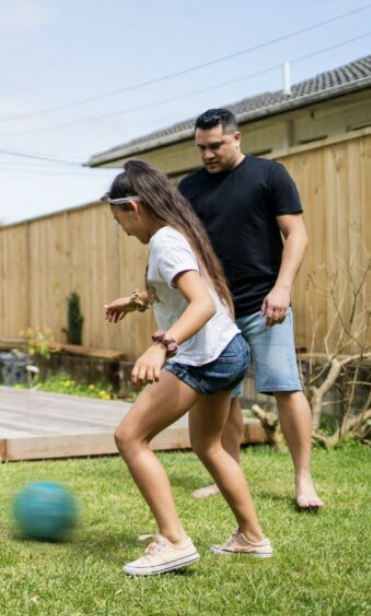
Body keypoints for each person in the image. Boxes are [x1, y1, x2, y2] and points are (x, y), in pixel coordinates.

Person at [103, 160, 271, 577]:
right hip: (229, 349)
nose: (121, 228)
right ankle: (251, 537)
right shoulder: (177, 233)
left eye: (118, 218)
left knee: (130, 437)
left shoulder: (165, 241)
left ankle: (174, 542)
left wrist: (162, 346)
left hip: (203, 356)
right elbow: (177, 288)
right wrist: (138, 301)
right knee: (209, 446)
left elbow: (202, 303)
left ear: (134, 208)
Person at [178, 108, 322, 510]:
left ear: (237, 138)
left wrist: (282, 288)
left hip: (265, 303)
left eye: (215, 145)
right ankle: (230, 474)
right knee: (223, 395)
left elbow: (296, 234)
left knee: (285, 387)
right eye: (201, 148)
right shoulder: (190, 188)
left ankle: (303, 479)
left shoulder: (269, 175)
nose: (207, 154)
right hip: (217, 309)